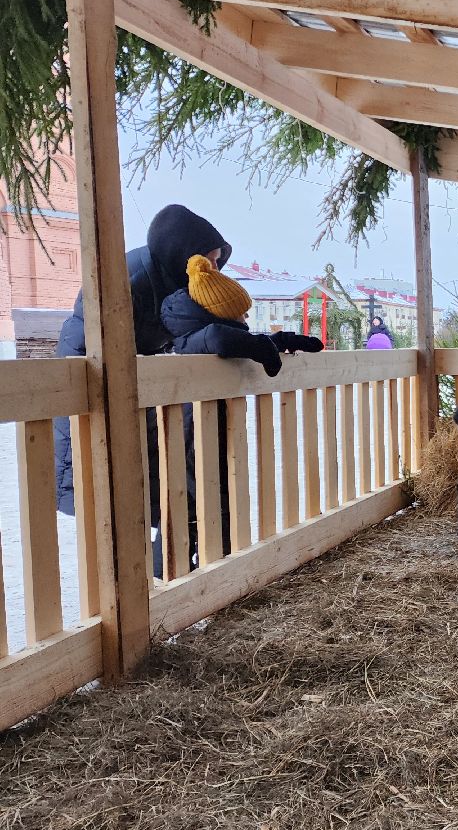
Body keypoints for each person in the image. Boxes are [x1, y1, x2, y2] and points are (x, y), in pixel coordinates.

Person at [52, 204, 231, 578]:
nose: (213, 272)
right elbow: (100, 349)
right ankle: (141, 582)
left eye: (217, 263)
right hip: (94, 402)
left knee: (165, 479)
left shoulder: (177, 285)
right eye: (209, 261)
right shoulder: (127, 281)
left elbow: (195, 335)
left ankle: (164, 569)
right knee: (117, 495)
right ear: (184, 255)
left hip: (141, 397)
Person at [159, 256, 323, 561]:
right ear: (219, 313)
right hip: (193, 435)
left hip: (203, 431)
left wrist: (275, 341)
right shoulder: (199, 337)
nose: (246, 322)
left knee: (207, 501)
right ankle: (211, 570)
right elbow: (220, 338)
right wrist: (261, 346)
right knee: (201, 505)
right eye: (240, 315)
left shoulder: (195, 329)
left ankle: (212, 567)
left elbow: (230, 338)